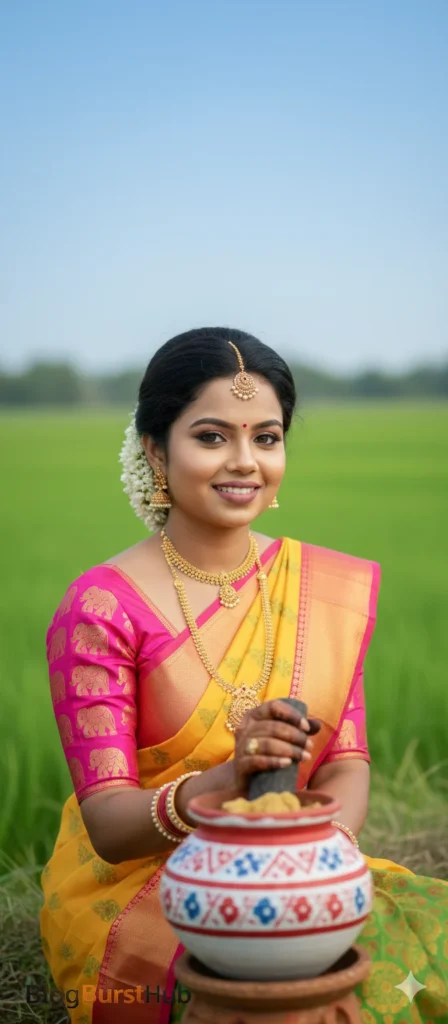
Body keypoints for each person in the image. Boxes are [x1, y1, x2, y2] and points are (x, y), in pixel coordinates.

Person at [40, 328, 448, 1024]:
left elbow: (346, 762)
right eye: (211, 436)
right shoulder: (103, 606)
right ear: (154, 449)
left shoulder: (322, 588)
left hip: (296, 856)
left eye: (266, 436)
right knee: (270, 986)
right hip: (146, 884)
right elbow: (107, 824)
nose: (244, 461)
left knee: (409, 946)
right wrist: (228, 783)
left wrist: (315, 867)